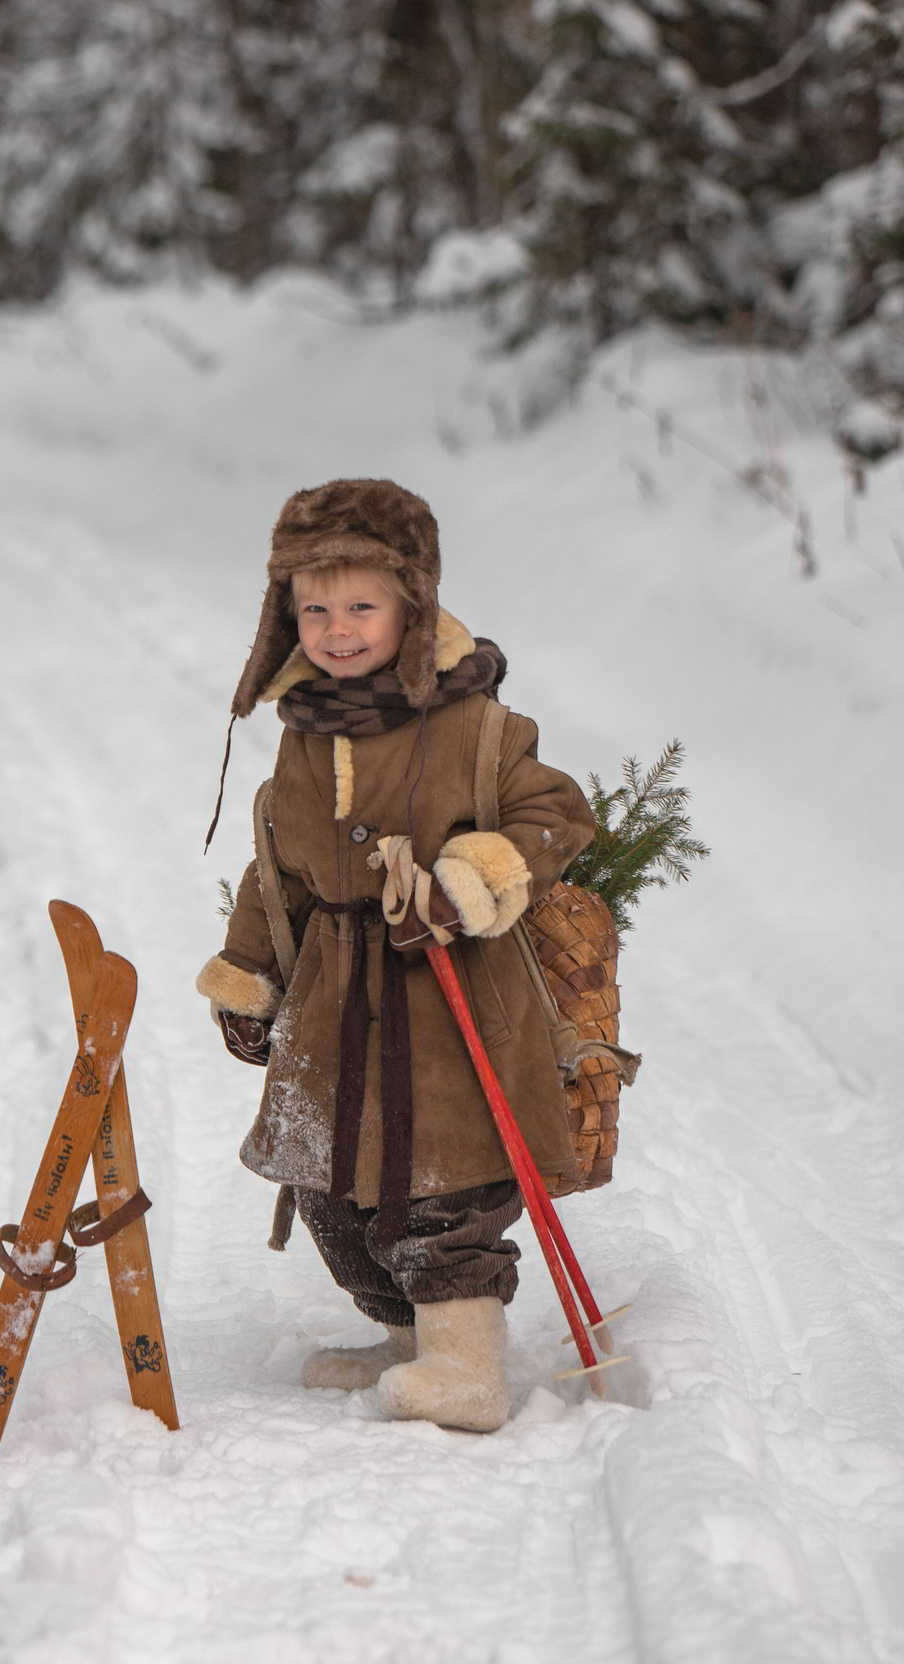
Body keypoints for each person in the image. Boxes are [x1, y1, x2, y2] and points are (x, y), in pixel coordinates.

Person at [197, 478, 594, 1432]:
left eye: (362, 606)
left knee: (440, 1175)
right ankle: (413, 1334)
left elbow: (557, 814)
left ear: (412, 604)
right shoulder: (306, 730)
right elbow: (278, 870)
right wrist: (249, 975)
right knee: (333, 1179)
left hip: (442, 997)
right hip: (335, 1001)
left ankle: (467, 1362)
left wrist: (471, 879)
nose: (337, 629)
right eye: (314, 607)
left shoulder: (476, 725)